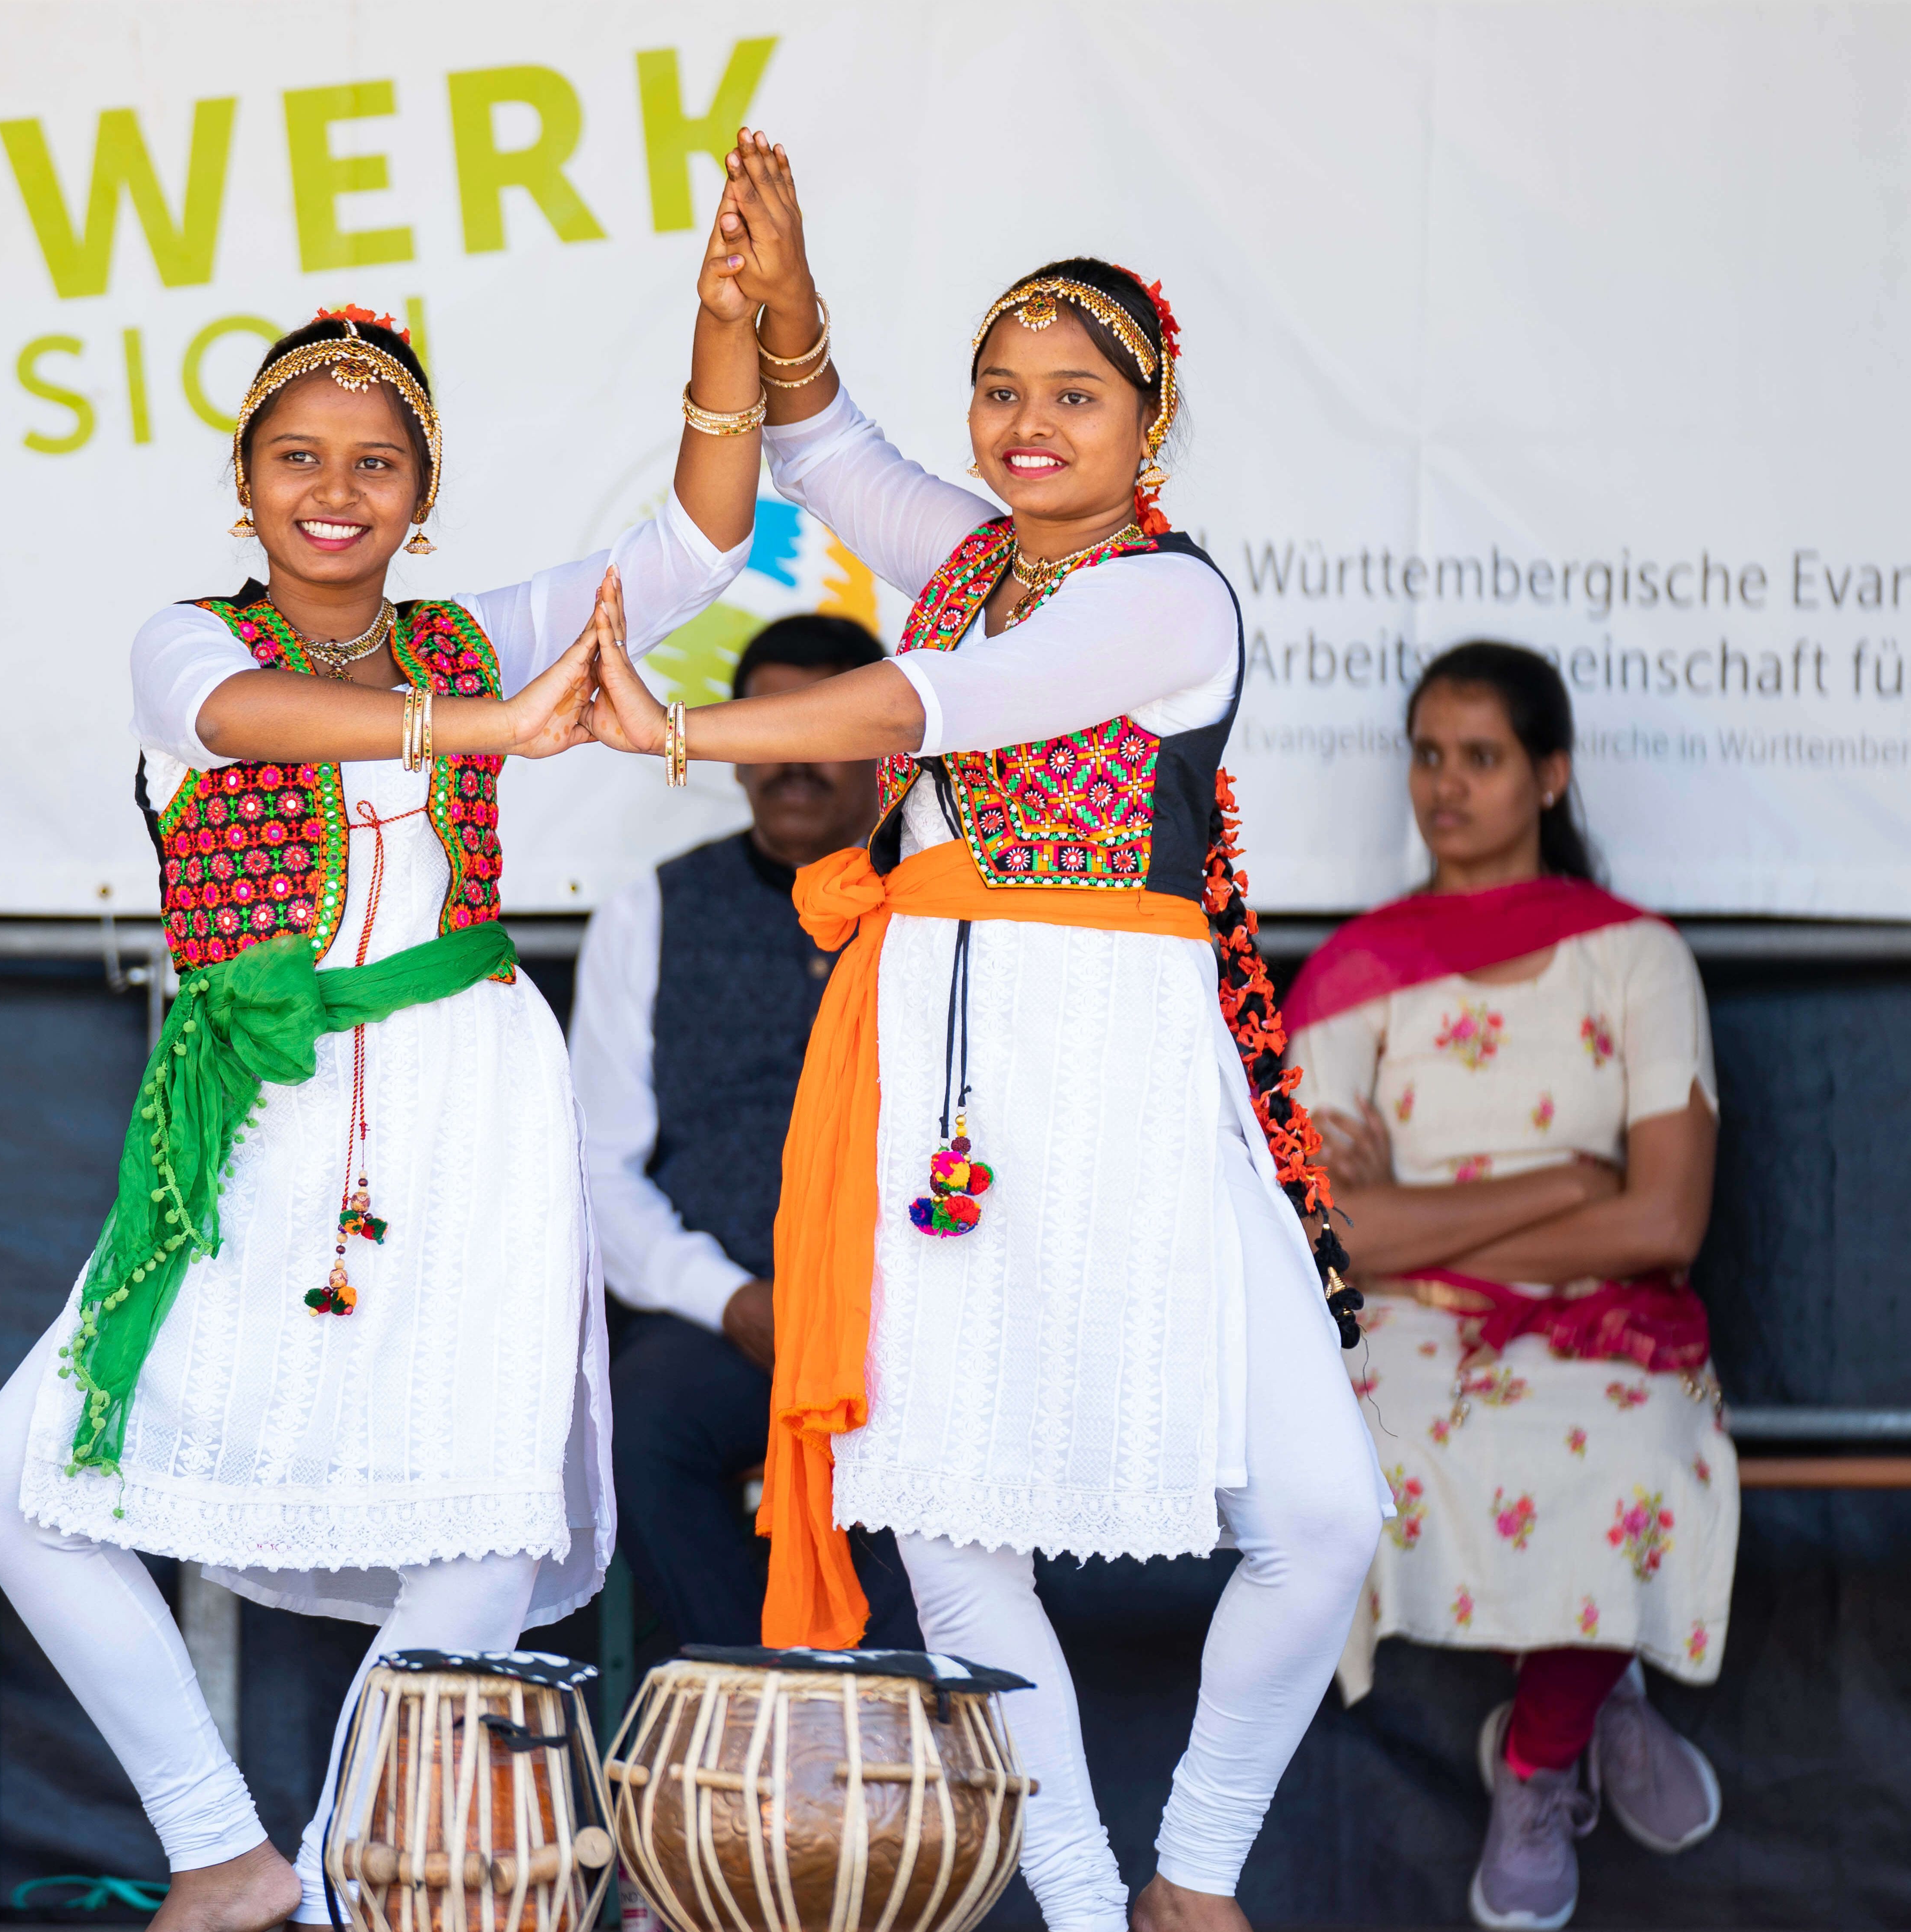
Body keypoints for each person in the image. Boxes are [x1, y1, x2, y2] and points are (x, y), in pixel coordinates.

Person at [0, 156, 778, 1932]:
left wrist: (727, 326)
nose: (334, 491)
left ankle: (324, 1878)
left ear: (423, 497)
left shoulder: (480, 632)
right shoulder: (190, 642)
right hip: (257, 1113)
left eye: (376, 463)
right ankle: (220, 1844)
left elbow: (701, 545)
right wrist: (483, 723)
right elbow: (247, 718)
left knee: (477, 1518)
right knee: (13, 1483)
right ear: (246, 484)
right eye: (297, 457)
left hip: (463, 1100)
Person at [580, 133, 1384, 1932]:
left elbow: (931, 702)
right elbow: (826, 450)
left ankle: (1196, 1872)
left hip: (1134, 1083)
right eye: (1002, 389)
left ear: (1147, 426)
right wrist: (780, 291)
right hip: (956, 1079)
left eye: (1074, 395)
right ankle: (1089, 1903)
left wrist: (678, 730)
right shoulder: (971, 560)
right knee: (953, 1526)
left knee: (1323, 1512)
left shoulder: (1165, 595)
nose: (1029, 425)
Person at [1286, 641, 1732, 1932]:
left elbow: (1666, 1221)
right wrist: (1568, 1188)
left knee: (1638, 1444)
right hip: (1409, 1323)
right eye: (1428, 755)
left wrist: (1411, 1222)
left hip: (1606, 1309)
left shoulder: (1634, 959)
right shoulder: (1359, 970)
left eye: (1481, 758)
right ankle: (1599, 1687)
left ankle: (1538, 1756)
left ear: (1549, 775)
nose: (1446, 785)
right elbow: (1324, 1239)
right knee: (1380, 1443)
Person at [572, 612, 921, 1648]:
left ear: (886, 751)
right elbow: (600, 1169)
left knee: (959, 1440)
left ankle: (897, 1705)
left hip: (903, 1317)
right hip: (728, 1315)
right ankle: (754, 1700)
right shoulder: (653, 910)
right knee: (642, 1424)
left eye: (825, 729)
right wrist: (731, 1300)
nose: (793, 759)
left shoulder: (938, 908)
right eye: (770, 726)